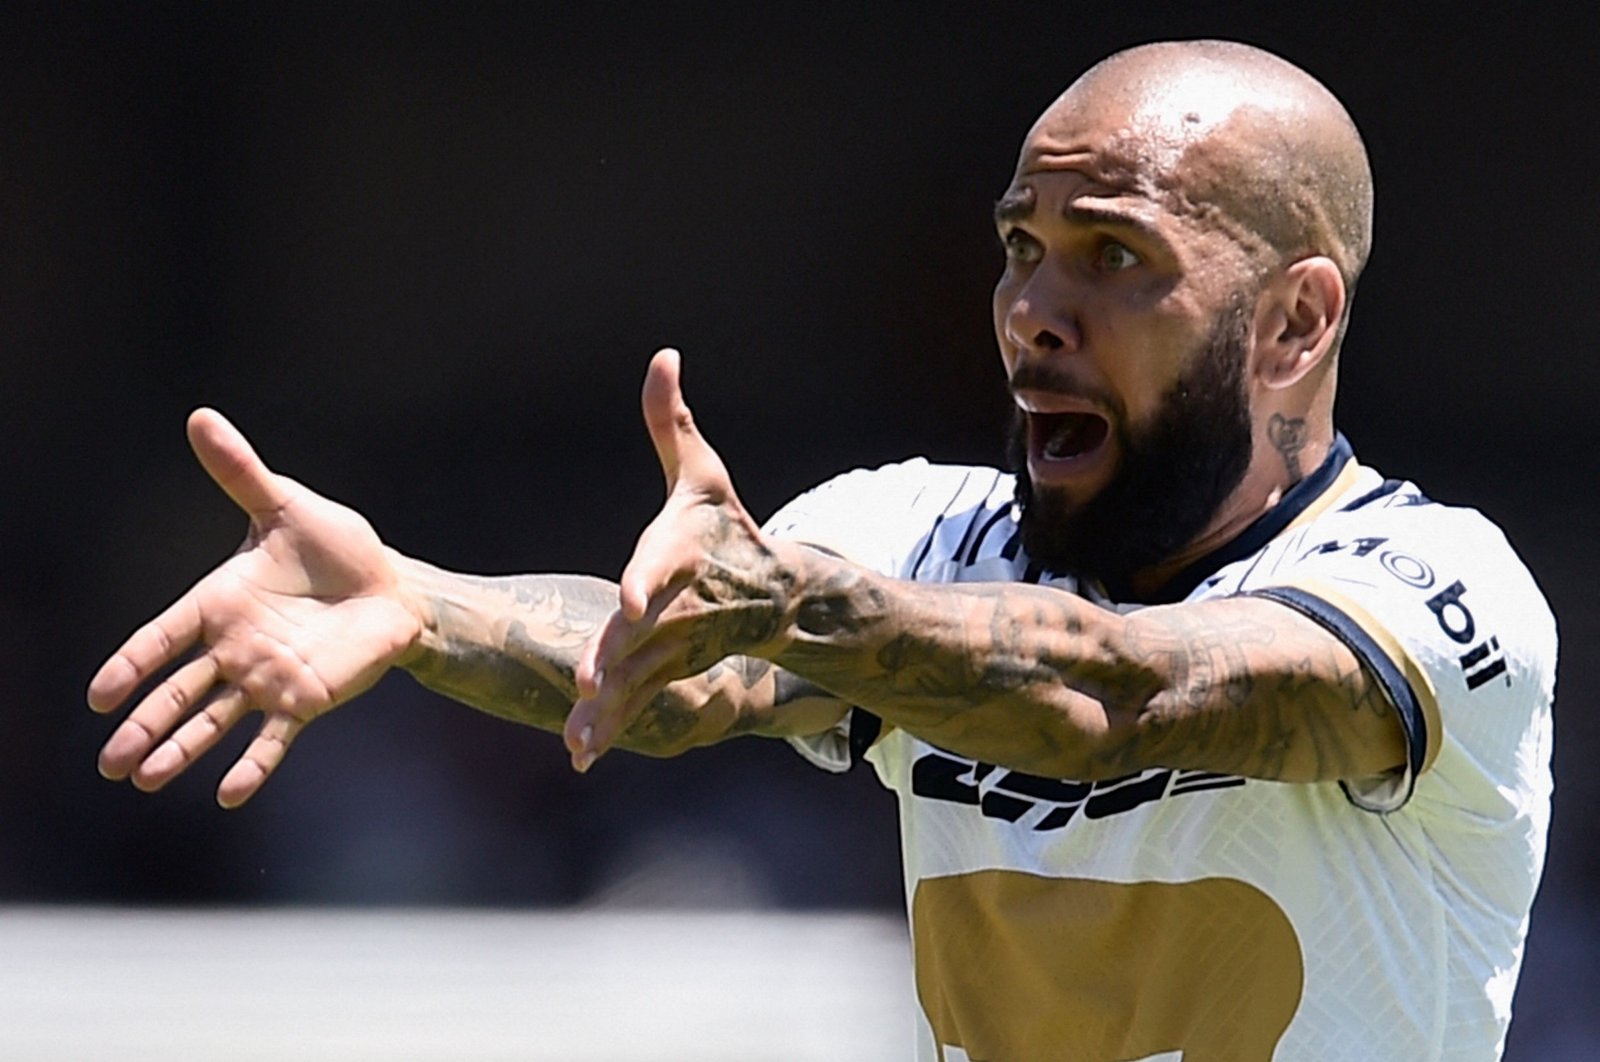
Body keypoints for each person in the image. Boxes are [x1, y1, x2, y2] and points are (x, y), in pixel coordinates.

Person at [89, 39, 1554, 1062]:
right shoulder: (919, 533)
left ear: (1297, 320)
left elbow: (1122, 700)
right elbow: (678, 670)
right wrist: (423, 606)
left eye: (1112, 256)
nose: (1031, 309)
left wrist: (787, 603)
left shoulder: (1436, 593)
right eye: (1018, 245)